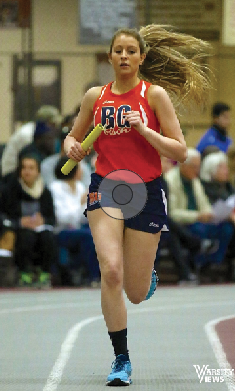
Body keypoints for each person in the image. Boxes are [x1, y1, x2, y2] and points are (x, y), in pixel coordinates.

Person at [63, 25, 211, 386]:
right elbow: (72, 136)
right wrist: (71, 146)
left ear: (142, 58)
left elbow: (180, 150)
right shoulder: (94, 97)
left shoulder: (154, 95)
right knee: (111, 271)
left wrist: (145, 130)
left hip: (145, 190)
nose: (125, 56)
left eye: (132, 50)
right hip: (106, 188)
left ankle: (144, 279)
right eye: (119, 50)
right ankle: (121, 359)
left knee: (134, 291)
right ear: (110, 57)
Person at [164, 148, 233, 270]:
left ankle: (210, 263)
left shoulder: (195, 180)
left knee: (226, 228)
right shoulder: (170, 180)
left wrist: (209, 213)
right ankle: (196, 264)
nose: (197, 171)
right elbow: (172, 213)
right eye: (194, 167)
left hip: (200, 220)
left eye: (199, 167)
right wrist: (198, 216)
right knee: (200, 230)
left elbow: (204, 203)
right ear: (183, 165)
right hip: (182, 223)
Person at [0, 153, 57, 288]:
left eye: (31, 168)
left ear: (38, 171)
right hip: (19, 229)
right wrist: (20, 222)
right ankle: (24, 273)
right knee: (26, 237)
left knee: (48, 237)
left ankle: (44, 274)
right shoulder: (10, 190)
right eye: (24, 168)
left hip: (40, 228)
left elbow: (52, 218)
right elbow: (4, 215)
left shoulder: (45, 192)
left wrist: (43, 220)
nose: (27, 171)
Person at [49, 156, 100, 287]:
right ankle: (93, 276)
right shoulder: (55, 188)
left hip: (78, 227)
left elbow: (84, 215)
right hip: (61, 230)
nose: (82, 171)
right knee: (88, 236)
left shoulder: (79, 186)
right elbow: (62, 217)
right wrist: (81, 203)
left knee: (100, 233)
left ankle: (98, 274)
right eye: (79, 168)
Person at [200, 151, 235, 281]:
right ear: (211, 169)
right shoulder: (205, 186)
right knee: (230, 228)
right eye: (222, 167)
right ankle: (221, 263)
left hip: (229, 221)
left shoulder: (228, 186)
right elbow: (213, 208)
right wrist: (234, 217)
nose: (226, 171)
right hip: (210, 221)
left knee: (233, 227)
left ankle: (234, 264)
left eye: (226, 167)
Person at [1, 105, 61, 181]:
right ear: (44, 122)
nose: (54, 127)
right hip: (11, 173)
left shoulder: (39, 131)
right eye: (52, 123)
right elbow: (29, 159)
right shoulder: (27, 134)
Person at [41, 114, 91, 188]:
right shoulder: (47, 164)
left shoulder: (83, 166)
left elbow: (87, 188)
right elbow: (49, 188)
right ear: (62, 144)